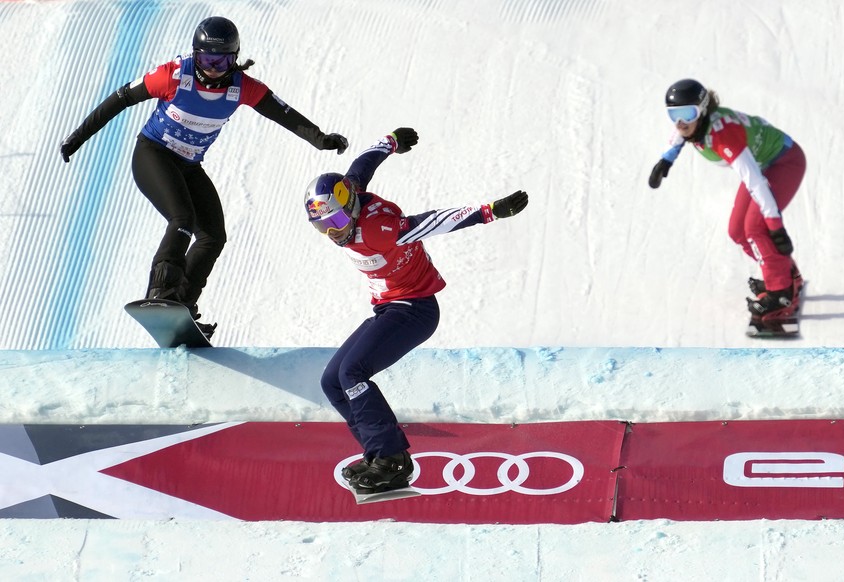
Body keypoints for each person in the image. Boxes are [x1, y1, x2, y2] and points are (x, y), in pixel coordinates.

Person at [60, 16, 348, 338]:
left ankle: (181, 304)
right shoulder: (172, 76)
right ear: (195, 55)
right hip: (153, 155)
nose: (213, 68)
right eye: (207, 59)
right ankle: (161, 292)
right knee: (182, 218)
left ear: (234, 59)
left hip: (188, 165)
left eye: (222, 60)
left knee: (213, 236)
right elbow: (120, 98)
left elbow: (283, 113)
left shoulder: (242, 87)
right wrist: (77, 137)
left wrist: (320, 138)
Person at [304, 127, 528, 494]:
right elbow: (363, 165)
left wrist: (489, 212)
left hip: (414, 310)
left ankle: (391, 458)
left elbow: (434, 222)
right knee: (332, 381)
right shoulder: (350, 193)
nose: (334, 233)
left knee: (352, 373)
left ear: (351, 209)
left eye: (338, 223)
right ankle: (379, 455)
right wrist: (389, 142)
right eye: (323, 228)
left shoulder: (378, 230)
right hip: (390, 308)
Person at [648, 79, 805, 323]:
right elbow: (680, 133)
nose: (680, 122)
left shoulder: (723, 138)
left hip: (784, 162)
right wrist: (667, 158)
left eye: (686, 113)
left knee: (756, 227)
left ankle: (782, 293)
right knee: (737, 231)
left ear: (701, 110)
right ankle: (784, 273)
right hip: (763, 164)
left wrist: (776, 227)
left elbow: (755, 182)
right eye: (673, 114)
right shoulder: (694, 124)